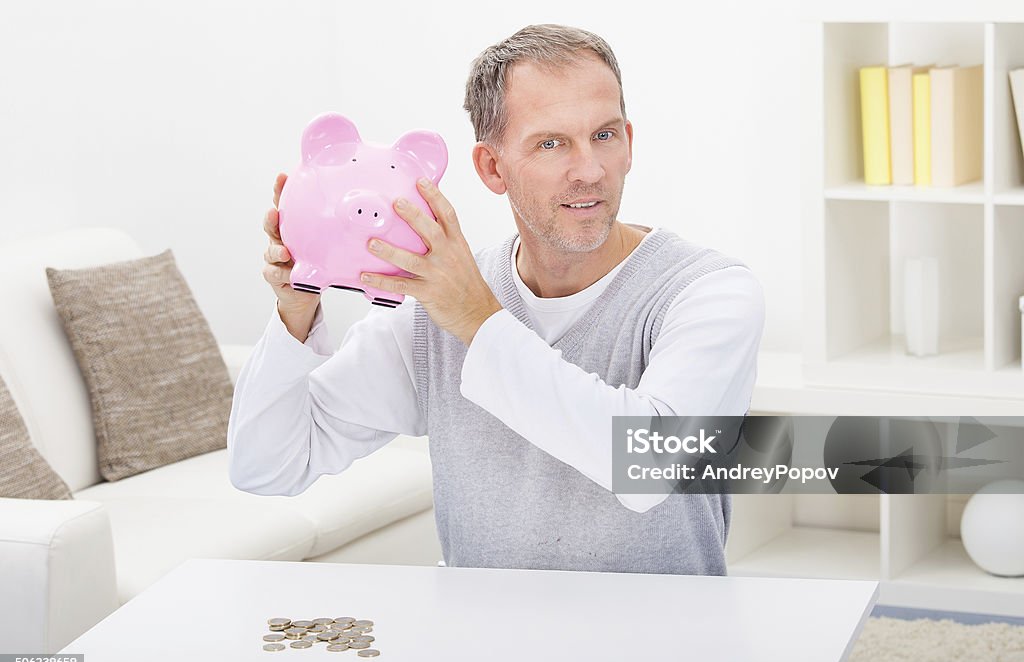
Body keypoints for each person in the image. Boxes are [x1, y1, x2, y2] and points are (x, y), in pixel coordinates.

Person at [228, 24, 765, 575]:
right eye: (550, 143)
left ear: (629, 141)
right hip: (478, 645)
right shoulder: (428, 313)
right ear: (491, 167)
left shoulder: (708, 291)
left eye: (604, 135)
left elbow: (651, 463)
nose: (590, 169)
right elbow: (268, 467)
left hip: (669, 644)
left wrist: (477, 320)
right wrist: (296, 313)